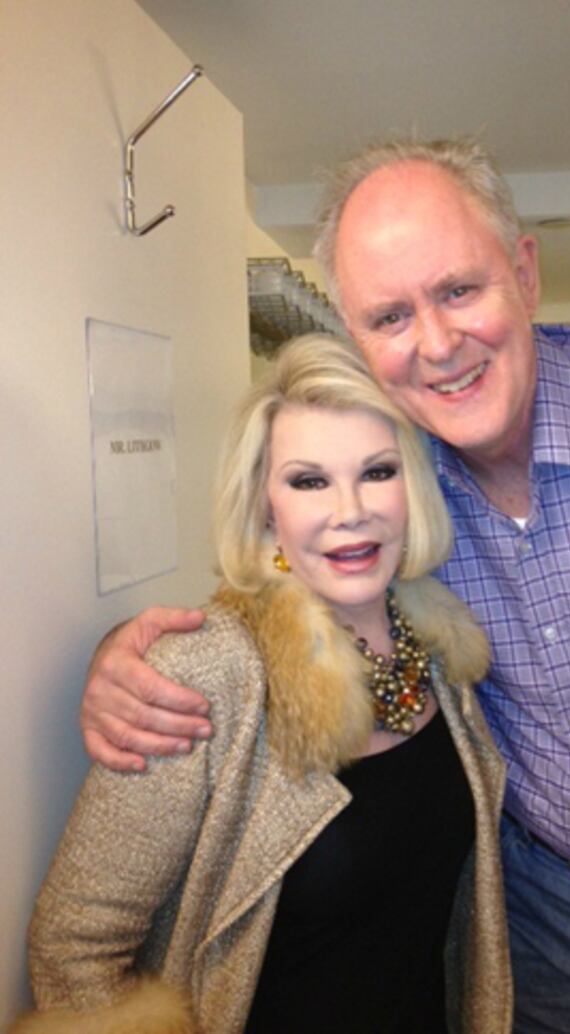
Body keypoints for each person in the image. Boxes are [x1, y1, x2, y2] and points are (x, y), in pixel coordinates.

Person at [80, 137, 570, 1032]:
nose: (436, 344)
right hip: (533, 922)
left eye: (459, 290)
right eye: (389, 316)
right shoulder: (388, 472)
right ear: (356, 337)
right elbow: (279, 576)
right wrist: (126, 659)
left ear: (525, 275)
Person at [16, 333, 511, 1034]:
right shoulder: (207, 672)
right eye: (309, 481)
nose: (351, 510)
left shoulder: (436, 648)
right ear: (263, 507)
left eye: (378, 472)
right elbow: (75, 942)